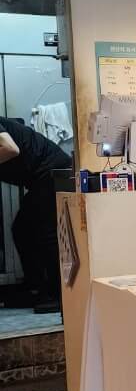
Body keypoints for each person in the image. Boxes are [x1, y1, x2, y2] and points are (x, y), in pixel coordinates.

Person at [0, 117, 71, 309]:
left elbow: (10, 148)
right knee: (22, 230)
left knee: (45, 233)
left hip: (53, 171)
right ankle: (36, 287)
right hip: (43, 176)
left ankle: (59, 295)